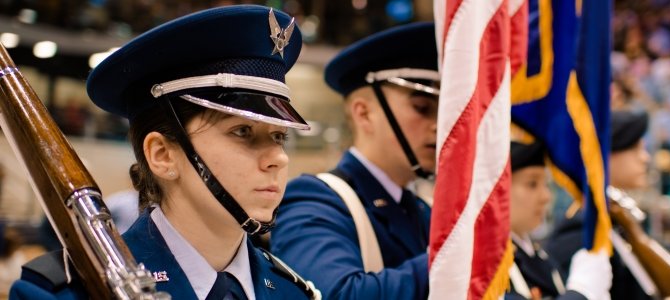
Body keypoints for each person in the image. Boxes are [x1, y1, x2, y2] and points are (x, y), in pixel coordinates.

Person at [10, 5, 320, 299]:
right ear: (162, 154)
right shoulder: (64, 294)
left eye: (279, 136)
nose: (279, 158)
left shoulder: (294, 291)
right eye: (242, 132)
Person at [270, 22, 438, 300]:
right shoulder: (314, 199)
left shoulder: (418, 209)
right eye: (422, 108)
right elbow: (335, 294)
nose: (438, 125)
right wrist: (451, 256)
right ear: (364, 114)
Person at [547, 110, 670, 300]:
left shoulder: (617, 221)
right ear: (606, 156)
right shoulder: (581, 230)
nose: (645, 158)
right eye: (636, 149)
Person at [506, 141, 612, 300]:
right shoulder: (491, 266)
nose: (546, 197)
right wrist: (582, 292)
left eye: (546, 184)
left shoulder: (537, 255)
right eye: (532, 184)